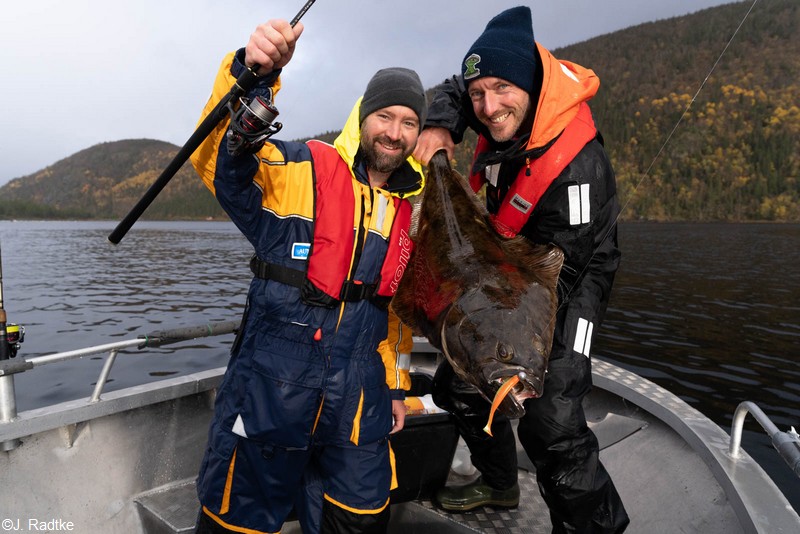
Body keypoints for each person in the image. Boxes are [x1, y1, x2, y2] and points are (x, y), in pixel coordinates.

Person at [189, 18, 427, 534]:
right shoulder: (300, 169)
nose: (394, 132)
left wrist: (394, 388)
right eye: (385, 116)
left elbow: (391, 314)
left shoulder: (411, 210)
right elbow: (215, 158)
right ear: (362, 116)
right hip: (273, 383)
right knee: (239, 519)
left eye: (409, 122)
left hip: (361, 394)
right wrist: (253, 74)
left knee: (361, 518)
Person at [412, 6, 629, 533]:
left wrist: (518, 360)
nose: (487, 107)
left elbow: (555, 274)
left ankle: (593, 527)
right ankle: (501, 483)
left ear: (529, 84)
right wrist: (440, 124)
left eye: (501, 90)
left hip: (570, 272)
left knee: (551, 420)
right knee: (460, 384)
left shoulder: (578, 171)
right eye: (480, 92)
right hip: (509, 258)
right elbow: (453, 90)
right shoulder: (490, 94)